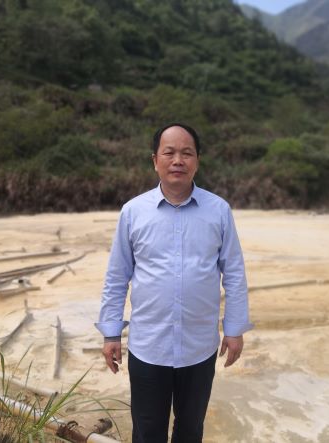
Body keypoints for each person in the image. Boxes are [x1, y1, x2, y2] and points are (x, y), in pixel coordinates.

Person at [95, 122, 253, 443]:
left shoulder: (218, 211)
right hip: (148, 348)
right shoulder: (133, 212)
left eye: (186, 153)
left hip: (199, 348)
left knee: (190, 430)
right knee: (147, 432)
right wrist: (111, 332)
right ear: (155, 160)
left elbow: (234, 273)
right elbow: (117, 276)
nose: (178, 160)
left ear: (197, 161)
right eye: (169, 153)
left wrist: (234, 329)